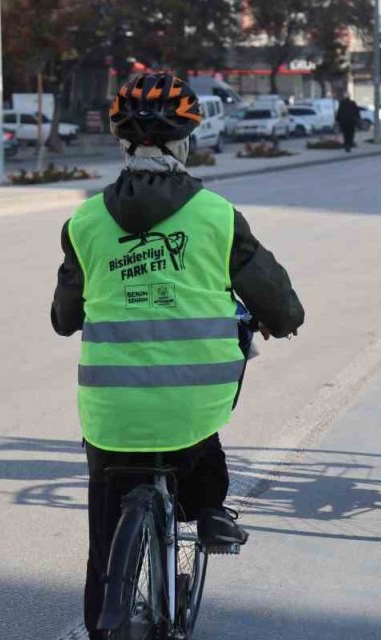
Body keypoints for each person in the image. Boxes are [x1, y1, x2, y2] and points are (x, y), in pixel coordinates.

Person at [51, 73, 305, 640]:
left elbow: (64, 318)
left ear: (123, 145)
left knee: (102, 544)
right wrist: (282, 319)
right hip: (194, 406)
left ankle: (103, 621)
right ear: (185, 143)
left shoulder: (85, 221)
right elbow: (279, 304)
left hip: (110, 416)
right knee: (196, 434)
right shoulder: (216, 215)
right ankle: (211, 511)